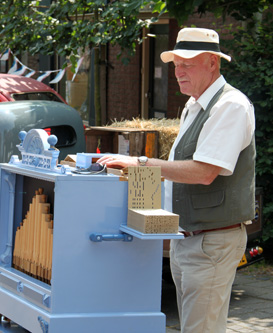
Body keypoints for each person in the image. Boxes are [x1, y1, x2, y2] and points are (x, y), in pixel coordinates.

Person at [98, 27, 255, 332]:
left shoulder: (229, 106)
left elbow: (204, 172)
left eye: (188, 64)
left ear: (213, 62)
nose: (179, 72)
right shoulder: (193, 107)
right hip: (188, 239)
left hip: (211, 240)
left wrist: (140, 163)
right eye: (176, 65)